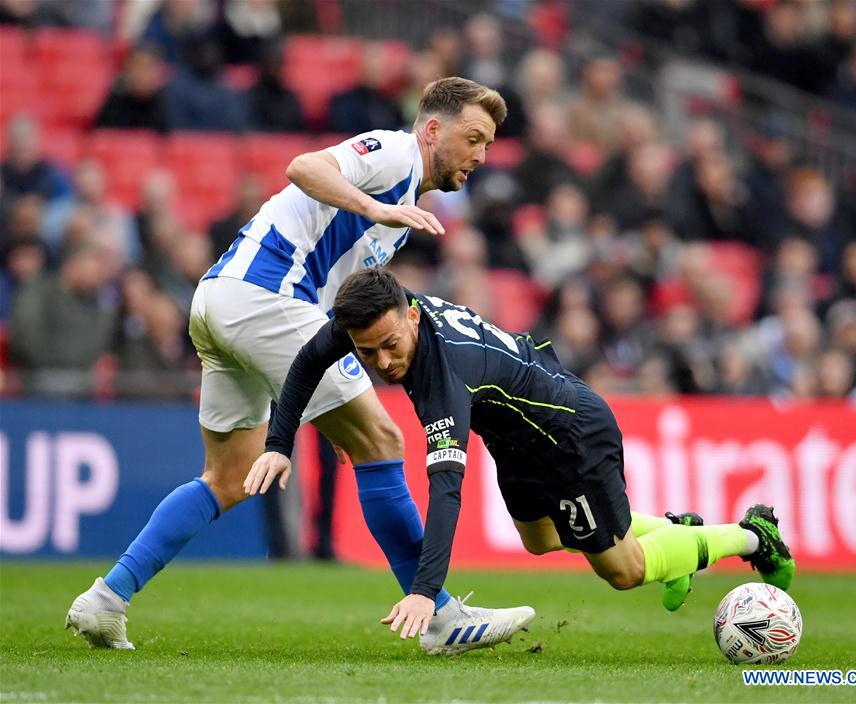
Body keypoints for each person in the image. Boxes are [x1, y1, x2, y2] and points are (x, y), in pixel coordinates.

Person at [65, 77, 534, 656]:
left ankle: (107, 599)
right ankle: (439, 616)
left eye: (488, 144)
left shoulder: (405, 193)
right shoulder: (393, 154)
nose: (482, 156)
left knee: (230, 476)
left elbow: (334, 295)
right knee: (383, 441)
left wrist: (332, 400)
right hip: (265, 296)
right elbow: (303, 166)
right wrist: (375, 207)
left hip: (223, 302)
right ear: (434, 128)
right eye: (474, 138)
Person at [248, 269, 796, 644]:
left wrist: (423, 593)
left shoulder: (447, 376)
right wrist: (278, 442)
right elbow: (306, 362)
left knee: (623, 571)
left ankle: (751, 536)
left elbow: (445, 490)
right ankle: (677, 529)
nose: (383, 362)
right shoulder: (376, 313)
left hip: (568, 437)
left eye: (391, 345)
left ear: (412, 316)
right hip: (517, 440)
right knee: (541, 540)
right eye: (368, 352)